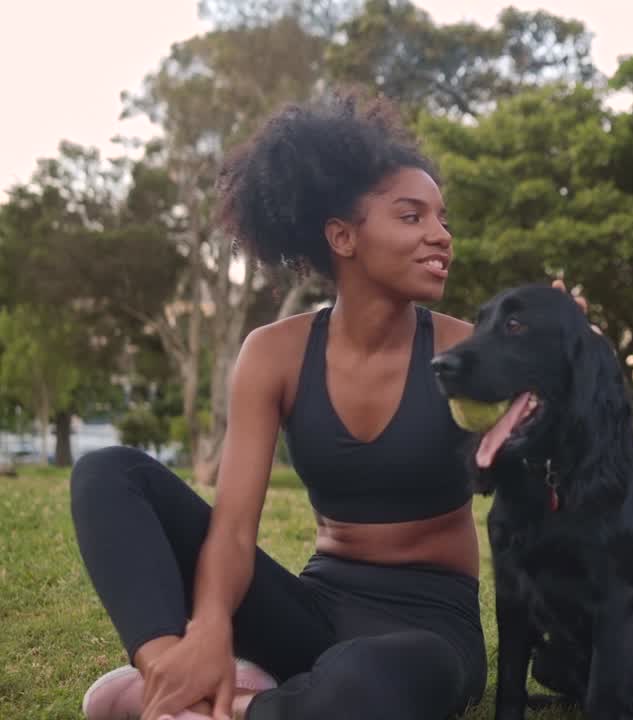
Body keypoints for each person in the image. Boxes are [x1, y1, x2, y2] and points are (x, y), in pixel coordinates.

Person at [70, 90, 581, 720]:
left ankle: (231, 705)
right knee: (108, 472)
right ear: (342, 236)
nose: (441, 236)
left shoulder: (469, 351)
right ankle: (173, 674)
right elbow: (231, 530)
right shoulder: (274, 355)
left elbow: (567, 469)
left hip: (428, 631)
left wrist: (574, 366)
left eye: (442, 219)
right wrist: (207, 629)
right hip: (314, 608)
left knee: (356, 683)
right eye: (412, 217)